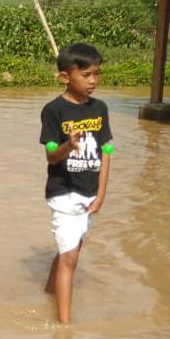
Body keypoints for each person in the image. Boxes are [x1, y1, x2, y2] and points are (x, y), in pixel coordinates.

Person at [39, 42, 113, 324]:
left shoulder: (100, 109)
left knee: (69, 250)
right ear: (64, 77)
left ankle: (49, 293)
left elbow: (106, 150)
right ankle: (64, 329)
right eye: (86, 75)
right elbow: (50, 156)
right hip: (64, 193)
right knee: (70, 258)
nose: (93, 80)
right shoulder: (53, 110)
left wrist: (101, 193)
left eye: (96, 74)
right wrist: (68, 146)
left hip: (89, 193)